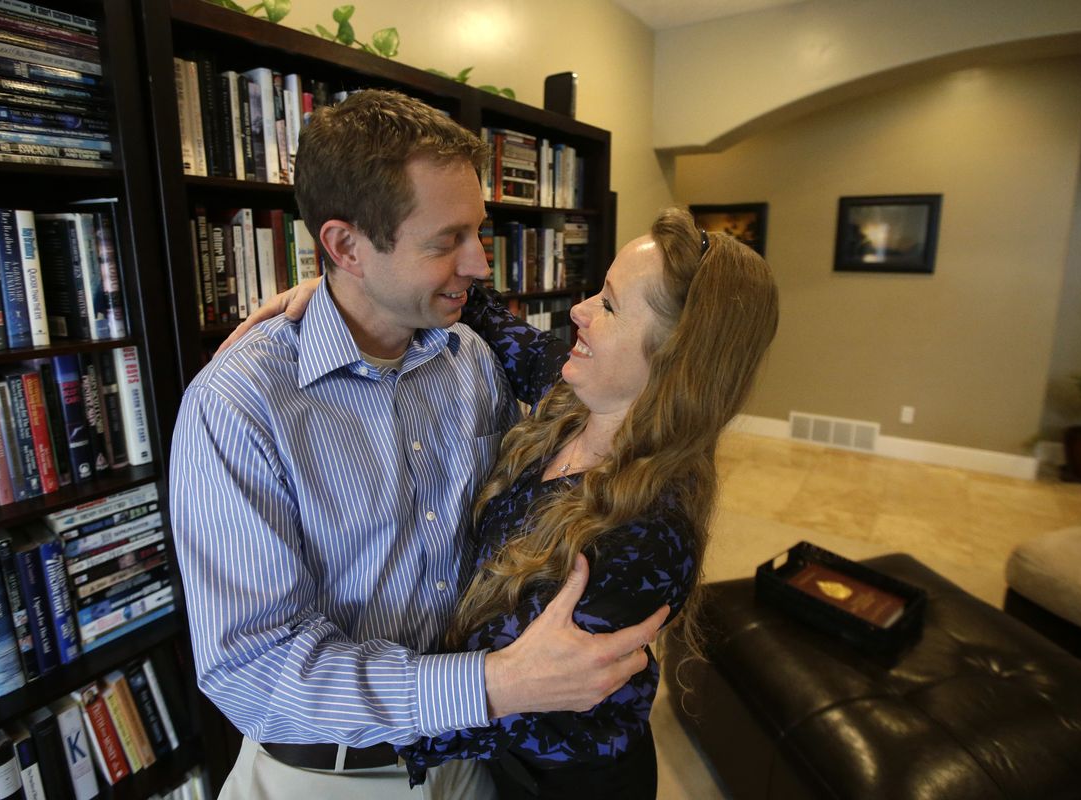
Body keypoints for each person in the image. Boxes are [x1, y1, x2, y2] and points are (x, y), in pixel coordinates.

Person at [169, 89, 667, 800]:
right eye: (445, 242)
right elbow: (253, 668)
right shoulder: (237, 406)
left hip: (480, 760)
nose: (480, 265)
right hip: (335, 776)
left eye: (478, 233)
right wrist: (495, 682)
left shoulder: (472, 359)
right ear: (344, 245)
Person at [241, 207, 780, 797]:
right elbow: (484, 312)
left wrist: (315, 728)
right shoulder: (571, 392)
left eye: (608, 304)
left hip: (558, 781)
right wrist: (350, 289)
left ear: (677, 360)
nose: (579, 310)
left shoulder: (647, 536)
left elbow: (504, 700)